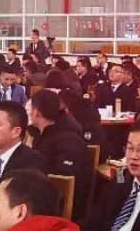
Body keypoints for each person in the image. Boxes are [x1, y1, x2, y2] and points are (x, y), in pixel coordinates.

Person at [27, 89, 92, 218]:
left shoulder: (68, 139)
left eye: (29, 108)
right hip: (41, 195)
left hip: (62, 208)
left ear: (36, 112)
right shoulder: (41, 133)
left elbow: (61, 182)